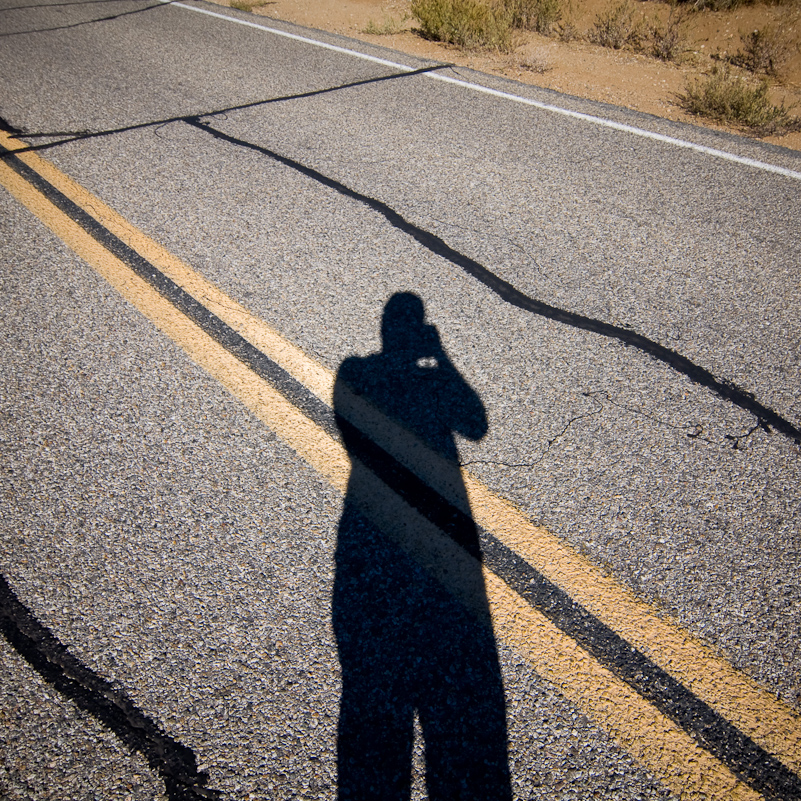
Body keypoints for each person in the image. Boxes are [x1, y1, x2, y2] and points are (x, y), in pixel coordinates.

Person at [332, 293, 511, 801]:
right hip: (399, 542)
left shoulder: (396, 374)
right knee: (400, 701)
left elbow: (476, 423)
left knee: (376, 699)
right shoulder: (364, 372)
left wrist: (441, 361)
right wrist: (434, 363)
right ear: (397, 332)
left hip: (384, 541)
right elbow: (466, 423)